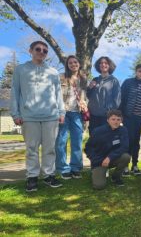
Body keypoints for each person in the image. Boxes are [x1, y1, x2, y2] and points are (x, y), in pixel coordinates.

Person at [10, 41, 65, 192]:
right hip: (28, 116)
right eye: (38, 49)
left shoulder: (53, 72)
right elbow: (15, 92)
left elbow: (58, 94)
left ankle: (48, 175)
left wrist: (61, 112)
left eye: (45, 51)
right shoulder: (21, 70)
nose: (41, 52)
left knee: (49, 149)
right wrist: (15, 113)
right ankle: (32, 177)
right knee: (31, 149)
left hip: (51, 116)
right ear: (31, 50)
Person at [55, 55, 88, 180]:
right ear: (67, 65)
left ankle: (76, 168)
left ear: (79, 64)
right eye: (70, 63)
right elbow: (55, 95)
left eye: (75, 62)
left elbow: (85, 96)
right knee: (61, 141)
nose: (73, 64)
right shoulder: (61, 77)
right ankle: (63, 168)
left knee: (77, 141)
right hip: (63, 112)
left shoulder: (83, 79)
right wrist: (59, 110)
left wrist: (85, 104)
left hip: (77, 113)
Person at [84, 110, 130, 189]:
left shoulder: (123, 130)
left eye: (118, 119)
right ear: (107, 120)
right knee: (99, 186)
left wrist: (109, 157)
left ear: (121, 120)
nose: (116, 122)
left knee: (126, 157)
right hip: (99, 161)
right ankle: (97, 172)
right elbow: (88, 148)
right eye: (113, 119)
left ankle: (116, 177)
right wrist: (95, 160)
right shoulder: (98, 131)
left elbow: (124, 147)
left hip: (112, 159)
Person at [120, 64, 141, 176]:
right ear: (136, 72)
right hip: (128, 118)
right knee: (127, 141)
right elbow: (121, 98)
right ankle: (125, 166)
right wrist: (121, 115)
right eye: (139, 71)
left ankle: (135, 165)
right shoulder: (128, 83)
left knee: (136, 142)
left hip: (139, 119)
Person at [87, 56, 121, 134]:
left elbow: (117, 100)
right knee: (93, 140)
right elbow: (89, 96)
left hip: (106, 117)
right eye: (101, 63)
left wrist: (108, 112)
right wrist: (90, 88)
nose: (103, 64)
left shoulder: (114, 81)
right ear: (99, 66)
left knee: (105, 141)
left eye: (106, 63)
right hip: (93, 116)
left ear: (109, 66)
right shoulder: (95, 80)